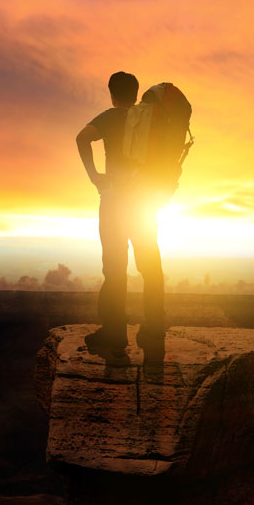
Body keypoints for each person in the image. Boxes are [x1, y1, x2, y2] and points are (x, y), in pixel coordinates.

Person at [76, 72, 165, 358]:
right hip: (145, 204)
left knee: (114, 270)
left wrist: (95, 177)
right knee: (150, 266)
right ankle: (154, 332)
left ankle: (114, 335)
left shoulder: (110, 117)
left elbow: (81, 139)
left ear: (112, 93)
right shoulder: (151, 120)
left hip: (115, 202)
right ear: (137, 93)